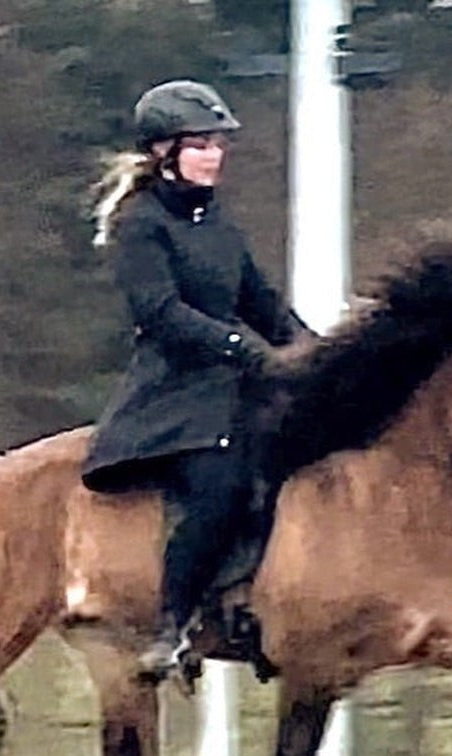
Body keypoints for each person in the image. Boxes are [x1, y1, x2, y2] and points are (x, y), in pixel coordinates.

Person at [81, 79, 308, 681]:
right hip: (174, 393)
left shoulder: (220, 225)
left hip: (233, 382)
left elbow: (264, 304)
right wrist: (241, 348)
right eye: (202, 145)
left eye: (217, 145)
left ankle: (260, 607)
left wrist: (318, 354)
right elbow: (160, 313)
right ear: (165, 152)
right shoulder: (141, 223)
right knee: (221, 485)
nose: (216, 155)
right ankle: (173, 624)